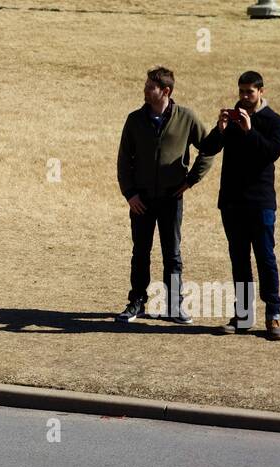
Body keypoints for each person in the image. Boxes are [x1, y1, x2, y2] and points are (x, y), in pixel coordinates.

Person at [115, 66, 215, 324]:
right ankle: (136, 302)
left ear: (165, 91)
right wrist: (130, 194)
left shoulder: (187, 118)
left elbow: (210, 149)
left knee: (172, 254)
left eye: (151, 87)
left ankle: (174, 306)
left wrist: (192, 179)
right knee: (140, 252)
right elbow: (124, 160)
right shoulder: (134, 120)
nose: (145, 90)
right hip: (142, 200)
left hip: (172, 199)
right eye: (146, 86)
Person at [199, 71, 280, 340]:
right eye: (241, 92)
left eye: (250, 92)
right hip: (232, 204)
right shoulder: (234, 118)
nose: (244, 97)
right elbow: (207, 148)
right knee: (239, 261)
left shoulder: (274, 121)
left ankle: (273, 315)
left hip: (260, 203)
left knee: (265, 258)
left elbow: (270, 153)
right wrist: (220, 129)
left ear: (261, 91)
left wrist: (249, 132)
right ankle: (244, 316)